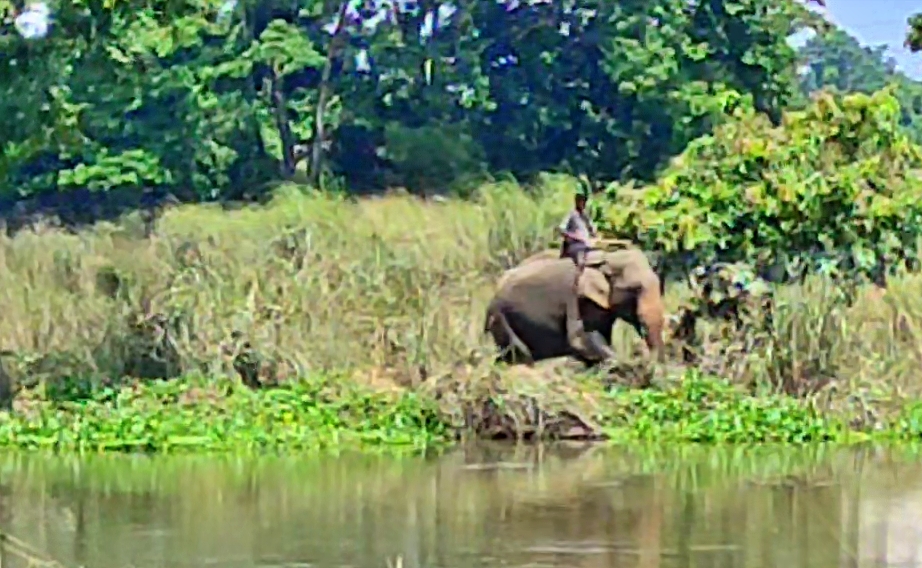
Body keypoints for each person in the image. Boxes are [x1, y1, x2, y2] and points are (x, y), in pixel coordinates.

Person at [557, 190, 598, 288]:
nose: (582, 203)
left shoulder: (585, 215)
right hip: (576, 244)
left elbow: (592, 229)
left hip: (587, 244)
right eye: (580, 201)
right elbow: (561, 228)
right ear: (576, 201)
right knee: (581, 262)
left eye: (584, 201)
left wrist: (593, 231)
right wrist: (573, 236)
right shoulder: (571, 214)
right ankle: (576, 284)